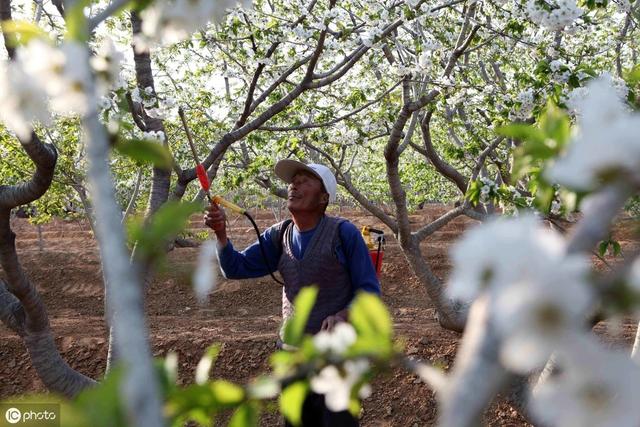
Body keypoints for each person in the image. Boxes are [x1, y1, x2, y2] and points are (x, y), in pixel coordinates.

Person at [204, 159, 381, 427]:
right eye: (293, 181)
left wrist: (344, 315)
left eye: (304, 181)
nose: (294, 185)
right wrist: (221, 235)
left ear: (324, 197)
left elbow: (369, 291)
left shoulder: (343, 234)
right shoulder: (280, 235)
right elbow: (235, 268)